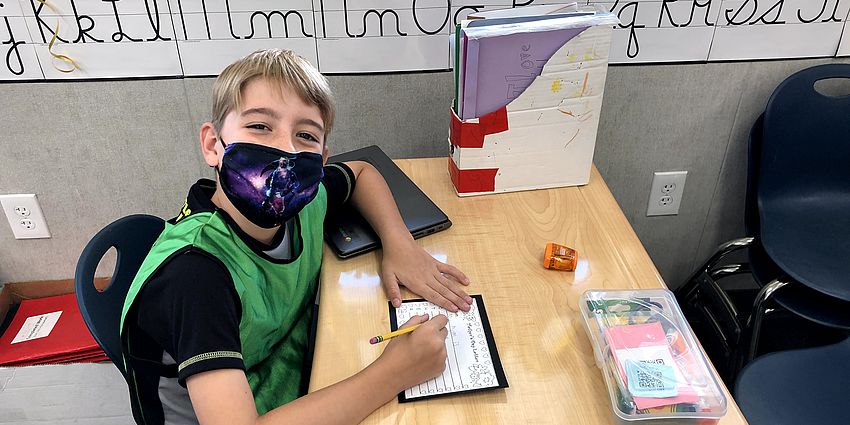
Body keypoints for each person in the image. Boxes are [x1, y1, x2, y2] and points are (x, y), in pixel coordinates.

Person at [118, 49, 473, 425]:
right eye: (259, 126)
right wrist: (395, 372)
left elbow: (363, 173)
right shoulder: (195, 275)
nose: (285, 150)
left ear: (320, 161)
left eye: (305, 135)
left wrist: (400, 244)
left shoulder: (303, 200)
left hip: (280, 367)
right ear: (212, 144)